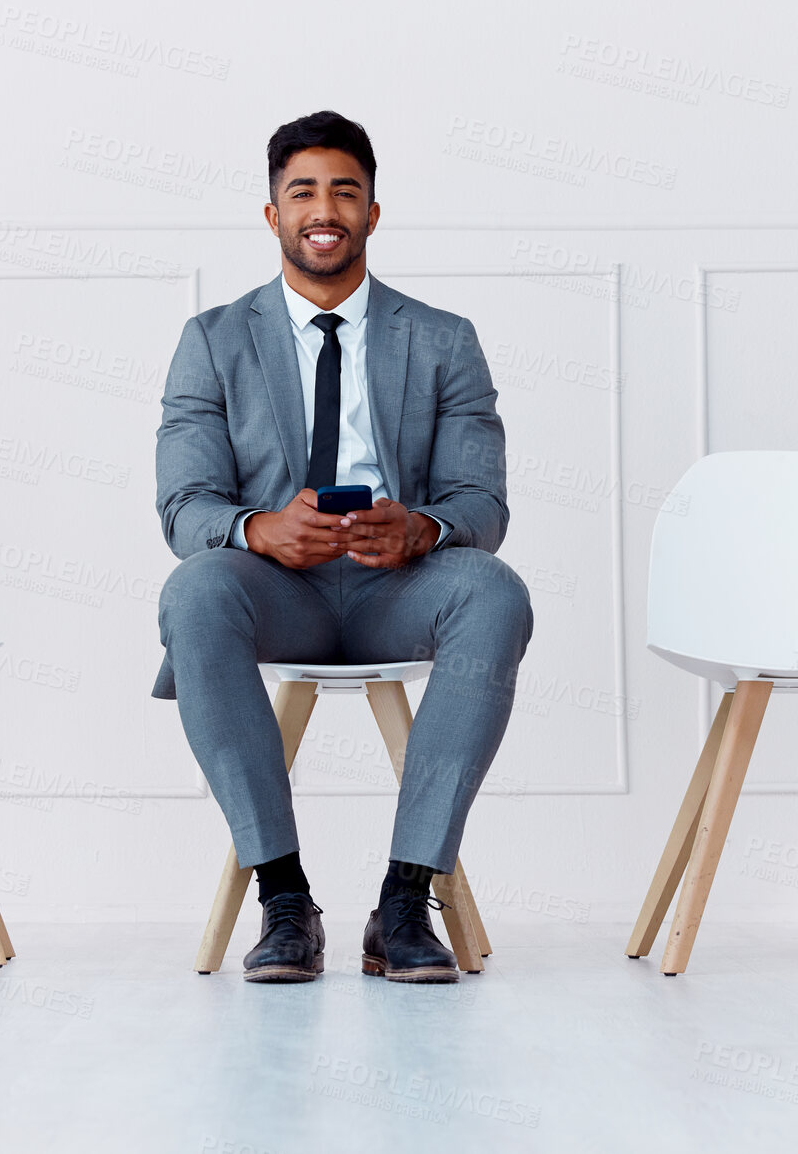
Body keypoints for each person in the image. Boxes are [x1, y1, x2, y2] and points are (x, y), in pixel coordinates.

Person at [153, 110, 534, 984]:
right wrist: (258, 529)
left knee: (496, 590)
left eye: (344, 191)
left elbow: (482, 501)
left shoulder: (442, 339)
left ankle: (405, 900)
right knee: (195, 589)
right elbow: (185, 508)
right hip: (273, 590)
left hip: (395, 584)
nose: (323, 208)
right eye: (302, 192)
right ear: (272, 214)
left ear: (370, 212)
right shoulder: (211, 341)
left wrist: (422, 527)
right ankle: (284, 901)